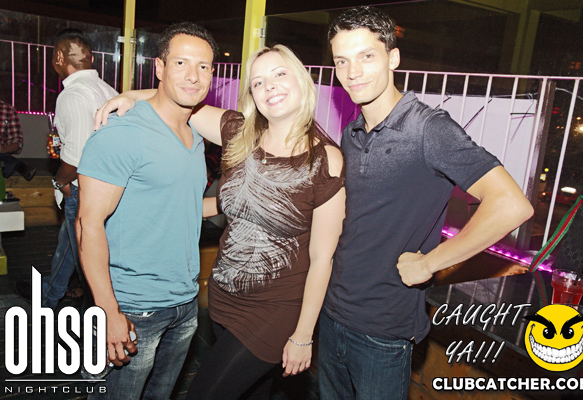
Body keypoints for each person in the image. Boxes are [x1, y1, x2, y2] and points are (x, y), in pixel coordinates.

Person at [95, 44, 345, 400]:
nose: (270, 86)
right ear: (252, 95)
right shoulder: (239, 132)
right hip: (224, 297)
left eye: (279, 74)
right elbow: (175, 101)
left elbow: (322, 257)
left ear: (302, 81)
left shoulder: (325, 159)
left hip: (275, 309)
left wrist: (304, 335)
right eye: (258, 82)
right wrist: (127, 97)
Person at [318, 6, 534, 399]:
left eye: (366, 56)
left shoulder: (428, 128)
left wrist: (431, 263)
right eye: (341, 61)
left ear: (393, 58)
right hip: (332, 314)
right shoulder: (352, 131)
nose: (353, 72)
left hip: (383, 330)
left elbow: (512, 205)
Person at [76, 22, 217, 399]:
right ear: (159, 67)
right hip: (132, 307)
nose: (193, 75)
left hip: (183, 304)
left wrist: (235, 202)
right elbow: (88, 223)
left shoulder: (196, 136)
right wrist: (108, 311)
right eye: (181, 63)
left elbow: (181, 205)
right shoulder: (122, 132)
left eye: (203, 66)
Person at [14, 28, 118, 310]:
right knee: (70, 246)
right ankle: (49, 294)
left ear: (59, 58)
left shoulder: (72, 95)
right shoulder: (109, 91)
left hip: (84, 190)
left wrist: (59, 182)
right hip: (108, 188)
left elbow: (78, 156)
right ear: (91, 58)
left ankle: (96, 315)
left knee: (86, 259)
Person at [0, 100, 36, 181]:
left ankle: (13, 164)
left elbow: (17, 144)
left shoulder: (8, 110)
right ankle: (16, 165)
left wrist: (3, 148)